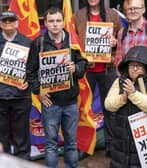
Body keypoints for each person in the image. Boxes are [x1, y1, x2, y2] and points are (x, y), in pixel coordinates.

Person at [26, 8, 88, 168]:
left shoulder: (72, 42)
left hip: (71, 102)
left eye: (58, 21)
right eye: (51, 21)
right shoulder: (38, 43)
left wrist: (77, 68)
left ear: (63, 22)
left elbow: (83, 64)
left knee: (71, 143)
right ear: (45, 23)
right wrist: (38, 91)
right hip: (50, 104)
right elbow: (30, 72)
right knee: (51, 144)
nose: (55, 24)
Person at [73, 0, 122, 155]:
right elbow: (73, 41)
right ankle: (84, 146)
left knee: (110, 108)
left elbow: (122, 38)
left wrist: (116, 42)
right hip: (87, 69)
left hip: (108, 68)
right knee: (84, 109)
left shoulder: (113, 15)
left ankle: (111, 145)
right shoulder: (78, 16)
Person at [105, 46, 147, 168]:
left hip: (144, 148)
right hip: (120, 145)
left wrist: (133, 94)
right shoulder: (119, 81)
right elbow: (108, 104)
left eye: (139, 66)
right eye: (132, 65)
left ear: (146, 67)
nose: (134, 69)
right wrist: (122, 99)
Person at [0, 11, 32, 160]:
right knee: (2, 137)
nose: (7, 24)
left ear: (17, 23)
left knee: (22, 136)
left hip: (21, 97)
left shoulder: (27, 42)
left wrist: (27, 81)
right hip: (0, 97)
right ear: (0, 24)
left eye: (11, 21)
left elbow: (33, 69)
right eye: (4, 21)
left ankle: (22, 164)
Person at [115, 0, 147, 79]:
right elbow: (119, 59)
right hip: (127, 82)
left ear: (143, 9)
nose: (133, 11)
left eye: (136, 8)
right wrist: (121, 79)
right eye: (130, 9)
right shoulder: (122, 33)